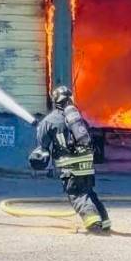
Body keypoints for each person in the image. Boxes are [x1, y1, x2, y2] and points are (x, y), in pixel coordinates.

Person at [30, 85, 111, 234]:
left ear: (54, 101)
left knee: (77, 194)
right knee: (88, 192)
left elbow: (42, 148)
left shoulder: (48, 121)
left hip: (70, 166)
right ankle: (105, 222)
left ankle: (93, 223)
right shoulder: (77, 118)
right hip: (87, 163)